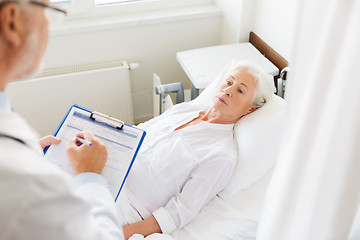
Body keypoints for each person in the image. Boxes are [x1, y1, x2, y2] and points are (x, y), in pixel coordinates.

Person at [0, 0, 124, 239]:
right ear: (11, 21)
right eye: (49, 12)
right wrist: (90, 175)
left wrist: (29, 154)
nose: (49, 26)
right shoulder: (21, 179)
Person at [118, 61, 275, 239]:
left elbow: (180, 211)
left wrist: (122, 234)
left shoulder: (221, 155)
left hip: (126, 206)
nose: (228, 90)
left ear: (250, 109)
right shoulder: (186, 109)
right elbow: (140, 131)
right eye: (229, 82)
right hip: (109, 173)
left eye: (240, 90)